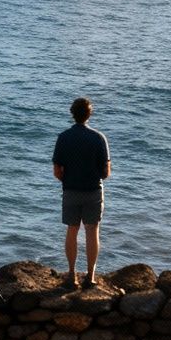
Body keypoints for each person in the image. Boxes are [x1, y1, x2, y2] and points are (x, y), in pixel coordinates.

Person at [51, 97, 111, 287]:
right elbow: (106, 173)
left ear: (72, 113)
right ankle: (90, 276)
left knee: (72, 230)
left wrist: (68, 180)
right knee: (92, 231)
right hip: (93, 190)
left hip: (71, 190)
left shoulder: (63, 137)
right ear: (89, 114)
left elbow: (57, 171)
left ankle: (71, 275)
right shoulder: (98, 137)